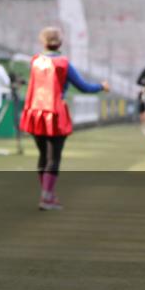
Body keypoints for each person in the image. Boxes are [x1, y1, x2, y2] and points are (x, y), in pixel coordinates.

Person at [20, 27, 108, 211]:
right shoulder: (64, 64)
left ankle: (48, 194)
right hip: (55, 112)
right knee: (54, 157)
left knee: (43, 155)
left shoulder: (35, 61)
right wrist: (101, 86)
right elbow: (84, 87)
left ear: (43, 42)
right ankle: (47, 197)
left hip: (36, 112)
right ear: (60, 43)